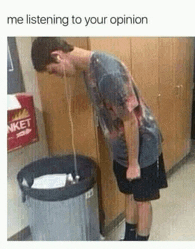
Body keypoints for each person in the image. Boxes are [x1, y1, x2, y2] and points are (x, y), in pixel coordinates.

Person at [31, 37, 168, 241]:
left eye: (52, 70)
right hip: (122, 145)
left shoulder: (107, 72)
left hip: (142, 142)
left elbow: (130, 121)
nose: (57, 76)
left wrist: (133, 163)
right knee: (129, 193)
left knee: (142, 199)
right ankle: (129, 239)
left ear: (57, 56)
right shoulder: (87, 69)